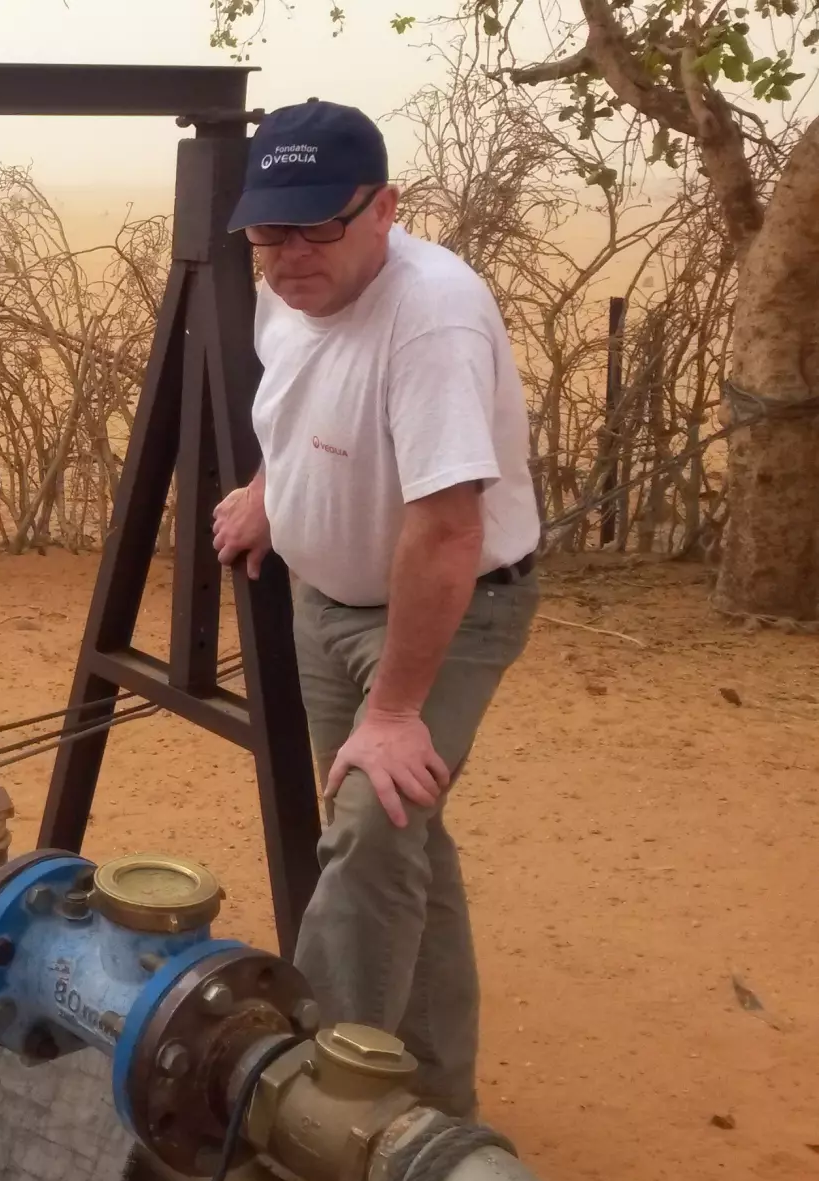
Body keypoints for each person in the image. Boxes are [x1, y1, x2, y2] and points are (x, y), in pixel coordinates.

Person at [211, 100, 541, 1120]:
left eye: (318, 225)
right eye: (270, 230)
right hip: (323, 605)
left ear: (384, 209)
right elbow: (303, 403)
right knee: (403, 845)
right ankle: (435, 1100)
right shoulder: (287, 290)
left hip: (444, 612)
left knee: (371, 823)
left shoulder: (431, 316)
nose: (290, 254)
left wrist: (394, 712)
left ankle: (311, 1105)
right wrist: (269, 489)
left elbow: (446, 528)